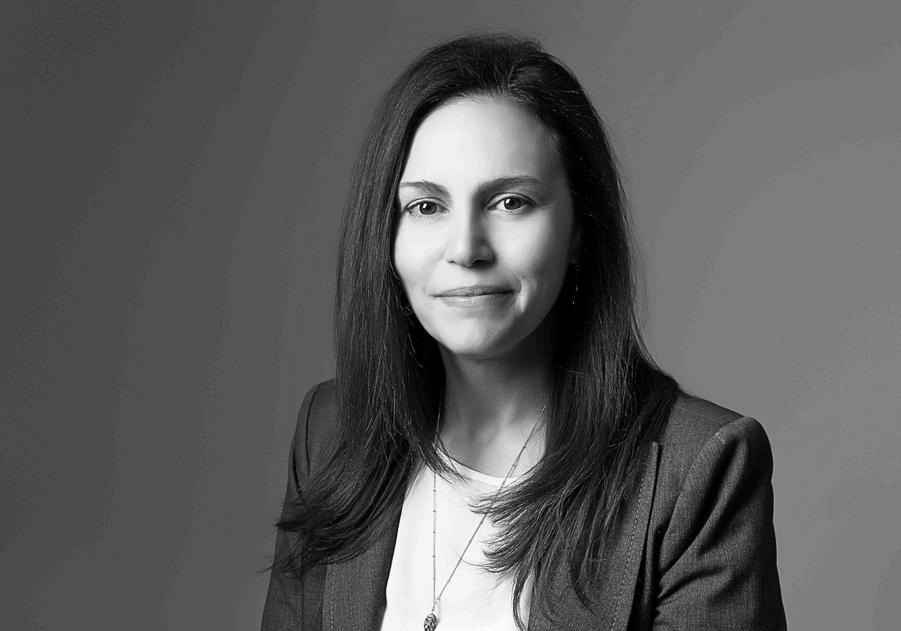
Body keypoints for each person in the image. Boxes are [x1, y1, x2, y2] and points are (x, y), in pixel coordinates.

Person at [262, 33, 786, 630]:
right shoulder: (331, 431)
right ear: (387, 235)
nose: (466, 249)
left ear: (581, 228)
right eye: (426, 206)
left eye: (510, 202)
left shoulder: (699, 470)